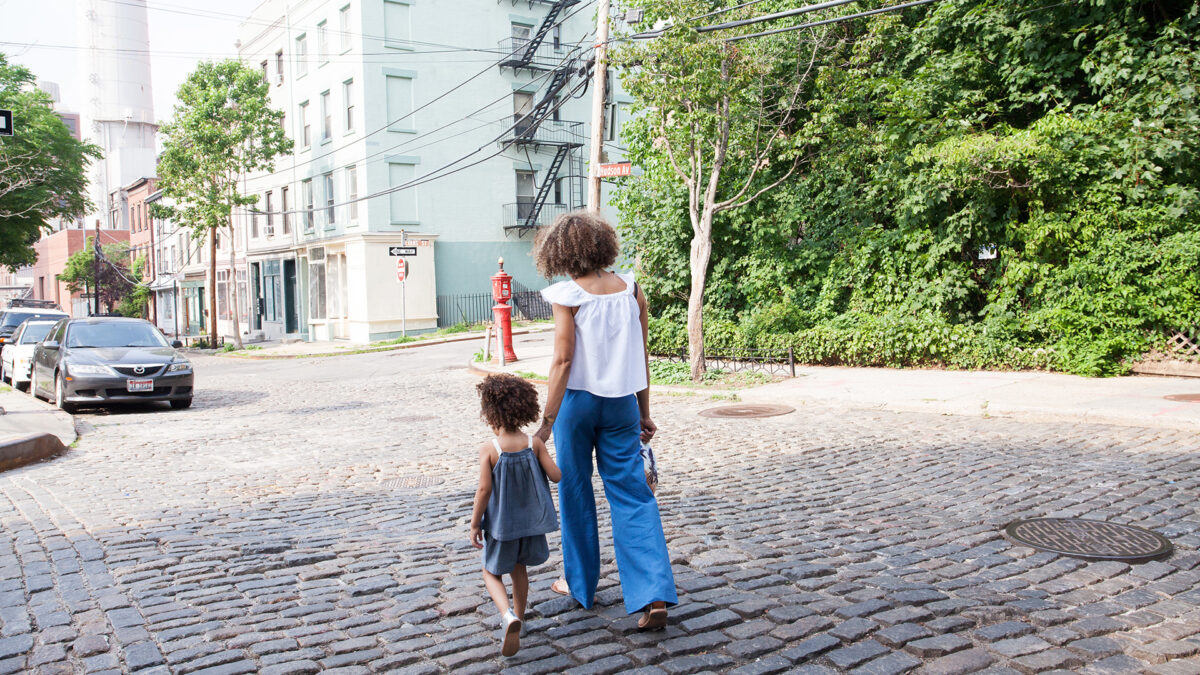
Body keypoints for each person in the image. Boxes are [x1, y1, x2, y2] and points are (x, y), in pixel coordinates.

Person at [533, 210, 677, 631]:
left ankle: (580, 585)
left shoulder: (567, 295)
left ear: (559, 251)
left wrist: (545, 423)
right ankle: (652, 593)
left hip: (577, 405)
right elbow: (641, 354)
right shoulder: (630, 288)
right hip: (621, 405)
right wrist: (644, 411)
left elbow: (562, 360)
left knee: (576, 492)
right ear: (602, 245)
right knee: (633, 495)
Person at [470, 374, 562, 657]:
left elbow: (484, 489)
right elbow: (556, 476)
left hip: (501, 527)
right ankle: (519, 617)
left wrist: (475, 523)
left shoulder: (490, 449)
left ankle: (507, 614)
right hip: (530, 525)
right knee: (519, 570)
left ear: (490, 414)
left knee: (490, 571)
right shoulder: (534, 444)